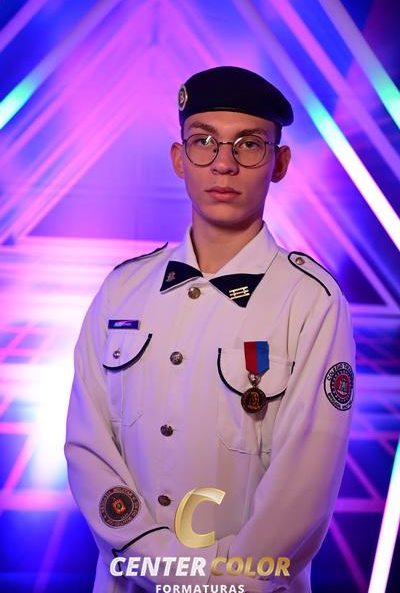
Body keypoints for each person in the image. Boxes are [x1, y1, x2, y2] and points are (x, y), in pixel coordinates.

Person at [65, 66, 355, 593]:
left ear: (280, 163)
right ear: (179, 159)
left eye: (249, 145)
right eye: (203, 142)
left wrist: (212, 585)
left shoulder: (312, 302)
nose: (224, 163)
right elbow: (89, 450)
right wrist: (160, 565)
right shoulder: (121, 291)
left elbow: (303, 487)